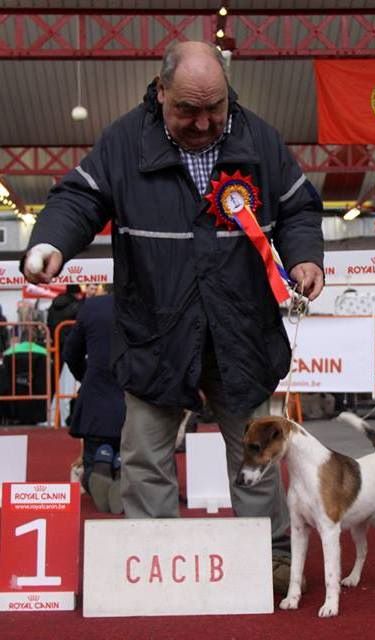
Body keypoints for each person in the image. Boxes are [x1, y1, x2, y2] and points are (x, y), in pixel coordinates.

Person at [21, 41, 324, 590]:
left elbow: (299, 206)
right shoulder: (122, 142)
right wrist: (51, 243)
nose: (204, 122)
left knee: (255, 455)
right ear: (160, 91)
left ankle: (273, 561)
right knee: (145, 456)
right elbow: (78, 199)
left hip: (241, 331)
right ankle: (151, 562)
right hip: (155, 331)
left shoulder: (259, 139)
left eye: (215, 108)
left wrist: (304, 256)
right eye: (188, 109)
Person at [63, 289, 126, 512]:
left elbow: (70, 351)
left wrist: (85, 375)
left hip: (96, 396)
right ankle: (121, 468)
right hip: (132, 395)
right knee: (135, 453)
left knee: (92, 454)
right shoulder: (143, 303)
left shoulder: (91, 307)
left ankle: (99, 465)